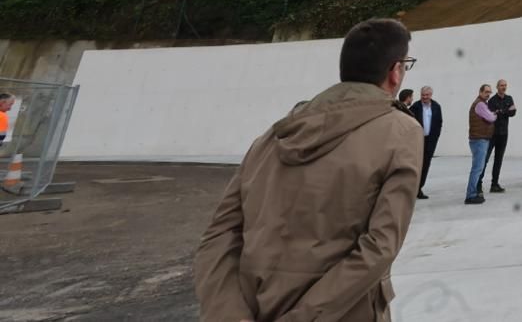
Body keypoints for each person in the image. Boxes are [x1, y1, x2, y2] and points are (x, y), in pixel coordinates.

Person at [194, 17, 420, 321]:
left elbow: (219, 235)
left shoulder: (272, 137)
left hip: (256, 307)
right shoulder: (401, 132)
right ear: (395, 72)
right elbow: (379, 247)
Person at [478, 79, 516, 195]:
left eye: (505, 85)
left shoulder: (509, 98)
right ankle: (478, 184)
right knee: (485, 159)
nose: (503, 87)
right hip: (492, 134)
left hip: (504, 134)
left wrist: (501, 111)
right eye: (501, 85)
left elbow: (513, 112)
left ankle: (494, 184)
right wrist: (505, 111)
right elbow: (492, 115)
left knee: (498, 160)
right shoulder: (492, 100)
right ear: (497, 87)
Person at [408, 85, 444, 200]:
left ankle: (419, 188)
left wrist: (436, 137)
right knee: (416, 164)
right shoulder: (415, 107)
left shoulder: (436, 106)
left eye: (427, 95)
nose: (424, 97)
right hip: (418, 140)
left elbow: (439, 123)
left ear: (431, 95)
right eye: (423, 95)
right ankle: (412, 188)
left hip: (430, 140)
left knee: (426, 164)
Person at [465, 84, 497, 205]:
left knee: (477, 168)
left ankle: (472, 193)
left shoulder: (481, 103)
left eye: (490, 92)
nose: (488, 94)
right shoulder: (480, 104)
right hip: (480, 140)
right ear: (480, 92)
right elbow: (490, 118)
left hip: (478, 139)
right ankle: (471, 195)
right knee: (477, 168)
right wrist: (495, 114)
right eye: (486, 92)